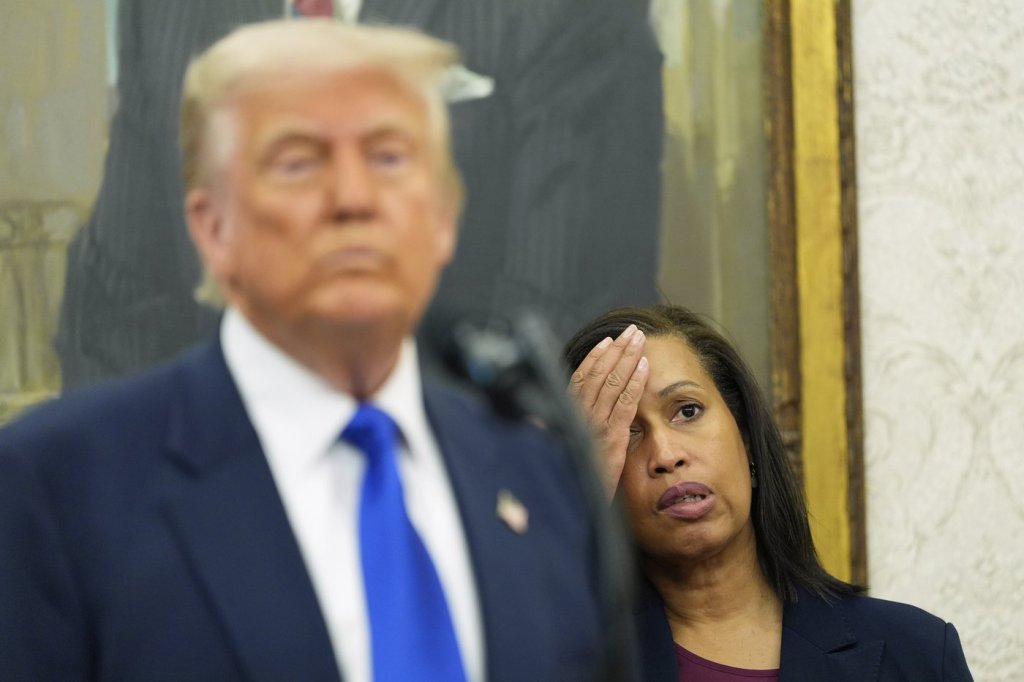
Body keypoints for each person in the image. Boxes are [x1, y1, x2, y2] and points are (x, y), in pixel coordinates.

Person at [0, 21, 606, 681]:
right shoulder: (58, 486)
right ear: (212, 227)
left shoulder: (536, 473)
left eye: (388, 157)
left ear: (442, 218)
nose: (353, 199)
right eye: (298, 163)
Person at [55, 0, 663, 390]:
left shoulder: (569, 13)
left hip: (465, 482)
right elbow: (121, 299)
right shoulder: (161, 11)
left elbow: (561, 317)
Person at [564, 304, 974, 681]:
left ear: (746, 438)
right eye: (627, 433)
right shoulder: (566, 660)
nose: (666, 456)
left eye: (688, 410)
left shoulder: (917, 653)